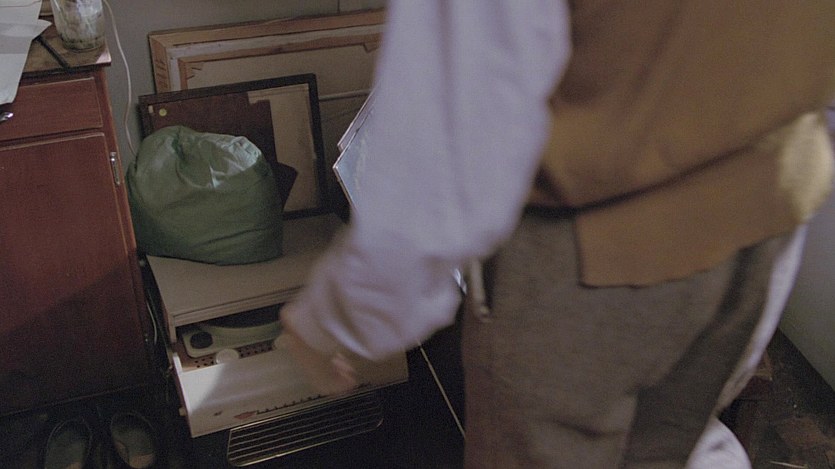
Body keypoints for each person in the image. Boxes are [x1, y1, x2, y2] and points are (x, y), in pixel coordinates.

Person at [279, 1, 835, 467]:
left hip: (595, 252)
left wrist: (339, 320)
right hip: (767, 214)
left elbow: (453, 128)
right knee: (671, 444)